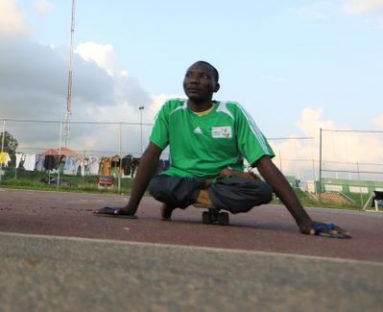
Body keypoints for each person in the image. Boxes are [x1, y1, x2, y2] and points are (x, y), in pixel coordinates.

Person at [96, 61, 349, 239]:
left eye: (204, 76)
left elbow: (264, 163)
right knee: (159, 185)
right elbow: (151, 155)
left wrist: (304, 221)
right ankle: (190, 192)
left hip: (224, 181)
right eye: (189, 74)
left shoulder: (233, 113)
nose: (194, 79)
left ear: (217, 87)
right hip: (184, 178)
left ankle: (179, 200)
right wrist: (130, 207)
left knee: (262, 190)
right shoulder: (171, 110)